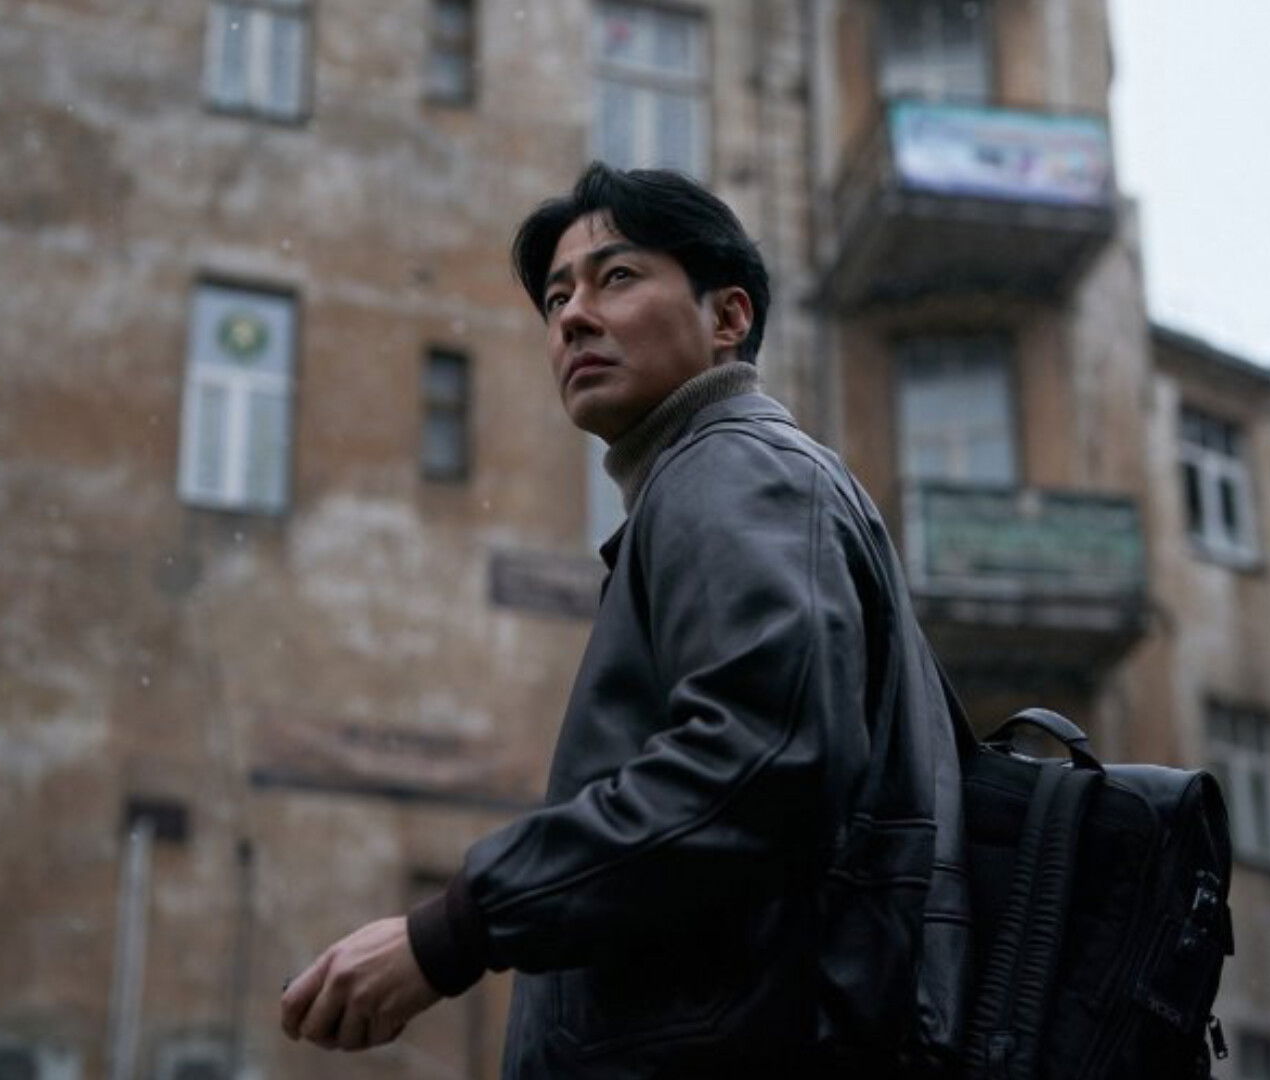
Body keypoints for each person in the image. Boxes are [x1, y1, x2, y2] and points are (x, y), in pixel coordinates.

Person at [279, 164, 968, 1077]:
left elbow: (761, 760)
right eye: (556, 297)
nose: (572, 317)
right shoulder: (714, 485)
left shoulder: (733, 469)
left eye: (617, 277)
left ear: (728, 318)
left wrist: (449, 934)